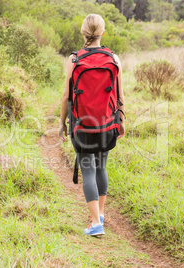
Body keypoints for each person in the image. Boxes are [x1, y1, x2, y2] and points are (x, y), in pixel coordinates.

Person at [58, 14, 125, 236]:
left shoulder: (74, 59)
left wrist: (62, 123)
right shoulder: (114, 58)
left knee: (87, 169)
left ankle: (96, 223)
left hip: (82, 126)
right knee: (101, 166)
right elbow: (120, 94)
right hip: (107, 125)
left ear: (83, 32)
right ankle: (100, 213)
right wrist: (121, 121)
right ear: (102, 32)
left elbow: (67, 95)